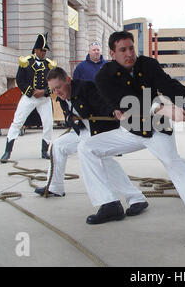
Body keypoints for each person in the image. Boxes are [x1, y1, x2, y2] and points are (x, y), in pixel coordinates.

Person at [77, 31, 185, 243]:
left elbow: (169, 85)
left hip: (156, 129)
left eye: (131, 48)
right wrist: (164, 109)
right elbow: (124, 103)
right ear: (112, 53)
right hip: (131, 129)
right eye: (123, 50)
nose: (129, 53)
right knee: (87, 148)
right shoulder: (103, 76)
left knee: (175, 165)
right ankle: (110, 203)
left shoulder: (148, 64)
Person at [34, 67, 149, 221]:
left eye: (59, 87)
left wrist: (115, 113)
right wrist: (71, 119)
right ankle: (55, 187)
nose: (57, 92)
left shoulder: (87, 88)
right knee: (58, 146)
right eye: (53, 89)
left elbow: (106, 107)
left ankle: (123, 201)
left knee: (99, 158)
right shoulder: (62, 96)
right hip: (83, 131)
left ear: (68, 80)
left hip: (99, 130)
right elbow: (70, 117)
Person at [0, 33, 56, 160]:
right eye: (42, 50)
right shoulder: (26, 62)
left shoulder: (49, 65)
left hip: (44, 99)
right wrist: (31, 92)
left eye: (45, 50)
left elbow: (54, 82)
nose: (44, 53)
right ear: (35, 50)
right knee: (17, 121)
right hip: (29, 97)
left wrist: (44, 91)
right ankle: (7, 151)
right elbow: (20, 81)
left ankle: (44, 150)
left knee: (48, 124)